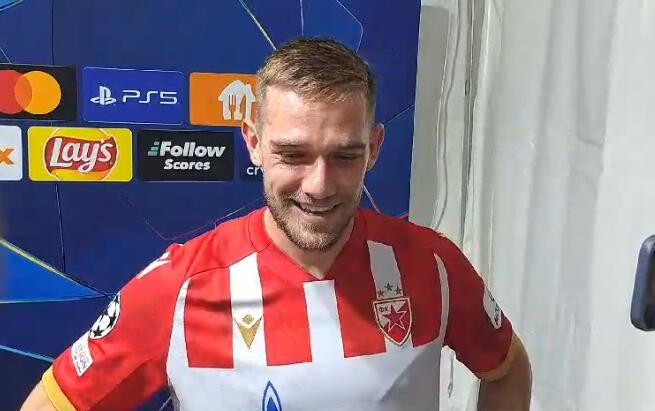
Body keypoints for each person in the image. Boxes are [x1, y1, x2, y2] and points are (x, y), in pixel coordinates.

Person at [21, 38, 532, 411]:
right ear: (254, 143)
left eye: (345, 156)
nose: (319, 185)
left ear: (375, 148)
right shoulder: (179, 288)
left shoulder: (432, 265)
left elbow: (508, 370)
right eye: (293, 154)